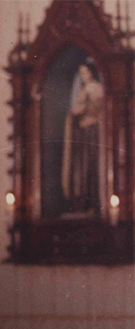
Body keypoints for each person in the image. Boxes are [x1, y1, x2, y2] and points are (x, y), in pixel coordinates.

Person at [61, 60, 104, 214]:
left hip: (92, 135)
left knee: (90, 167)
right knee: (81, 169)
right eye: (81, 73)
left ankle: (92, 202)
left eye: (85, 72)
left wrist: (89, 118)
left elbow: (99, 112)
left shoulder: (95, 88)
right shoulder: (85, 89)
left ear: (91, 72)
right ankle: (82, 203)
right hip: (83, 136)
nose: (83, 76)